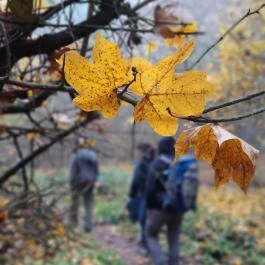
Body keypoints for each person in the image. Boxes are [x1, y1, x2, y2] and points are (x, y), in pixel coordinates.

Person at [145, 137, 198, 265]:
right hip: (178, 208)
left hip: (159, 209)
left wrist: (150, 208)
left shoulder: (157, 164)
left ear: (160, 148)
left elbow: (150, 190)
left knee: (150, 234)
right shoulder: (181, 163)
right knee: (174, 239)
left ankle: (159, 262)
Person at [127, 142, 155, 249]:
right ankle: (147, 243)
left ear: (141, 151)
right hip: (155, 196)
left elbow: (136, 180)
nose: (137, 153)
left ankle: (144, 244)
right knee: (149, 220)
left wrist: (131, 195)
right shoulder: (155, 159)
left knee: (143, 219)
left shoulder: (141, 162)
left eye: (138, 151)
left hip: (143, 194)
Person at [69, 138, 98, 232]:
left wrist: (72, 182)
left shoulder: (76, 155)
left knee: (74, 203)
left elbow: (73, 170)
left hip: (77, 182)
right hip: (90, 182)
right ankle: (88, 227)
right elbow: (96, 170)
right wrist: (94, 181)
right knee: (88, 204)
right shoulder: (94, 155)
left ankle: (73, 224)